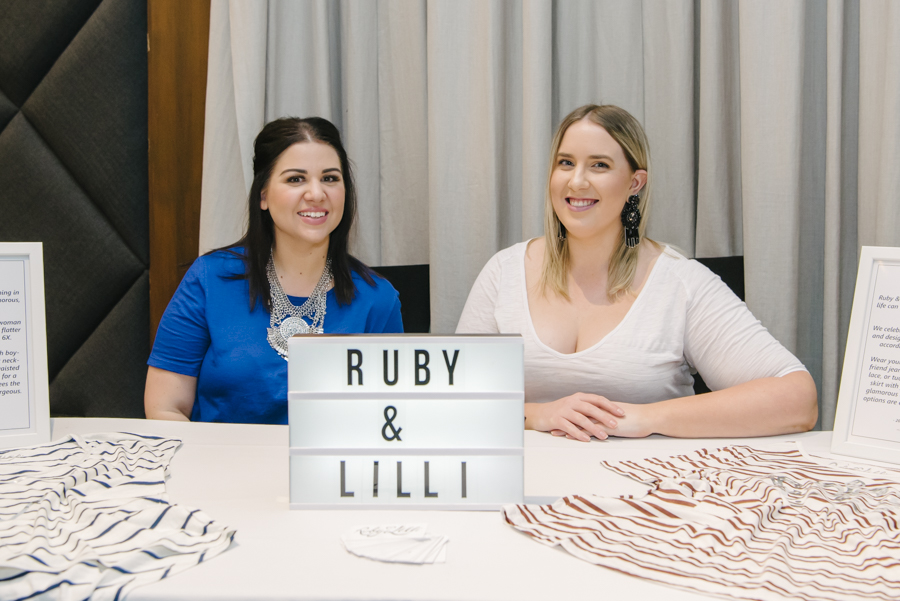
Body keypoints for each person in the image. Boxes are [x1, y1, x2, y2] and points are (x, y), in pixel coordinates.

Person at [456, 104, 817, 441]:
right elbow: (452, 400)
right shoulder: (504, 271)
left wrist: (640, 418)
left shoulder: (681, 282)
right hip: (529, 480)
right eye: (565, 163)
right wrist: (536, 415)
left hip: (646, 484)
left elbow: (798, 399)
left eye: (599, 165)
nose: (576, 181)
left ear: (635, 183)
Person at [145, 117, 403, 424]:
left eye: (330, 178)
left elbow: (389, 419)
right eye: (296, 179)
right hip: (221, 456)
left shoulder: (378, 299)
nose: (316, 193)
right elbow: (165, 408)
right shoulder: (210, 279)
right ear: (263, 196)